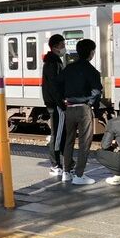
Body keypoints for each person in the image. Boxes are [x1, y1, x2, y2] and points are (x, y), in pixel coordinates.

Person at [59, 38, 102, 185]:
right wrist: (90, 103)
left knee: (68, 141)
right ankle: (79, 175)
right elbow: (96, 91)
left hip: (69, 109)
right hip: (84, 109)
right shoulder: (92, 71)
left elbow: (58, 86)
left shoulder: (68, 69)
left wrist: (64, 102)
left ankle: (66, 172)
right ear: (91, 53)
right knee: (84, 142)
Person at [40, 34, 66, 177]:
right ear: (55, 46)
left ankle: (59, 162)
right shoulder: (54, 63)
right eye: (62, 44)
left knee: (57, 133)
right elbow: (54, 86)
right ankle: (55, 164)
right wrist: (61, 103)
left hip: (53, 102)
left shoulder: (51, 61)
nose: (64, 47)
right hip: (55, 104)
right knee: (57, 134)